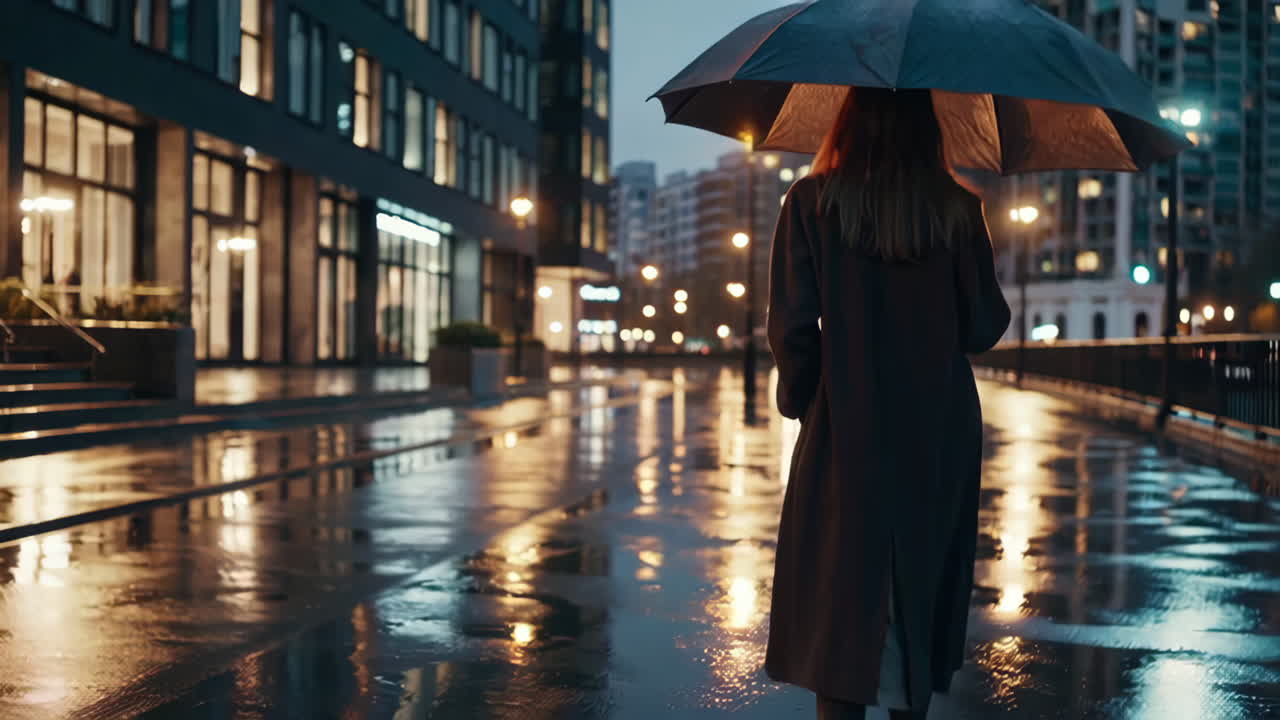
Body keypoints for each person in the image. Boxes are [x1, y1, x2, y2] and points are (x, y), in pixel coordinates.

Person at [763, 87, 1011, 720]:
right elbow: (983, 326)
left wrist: (802, 401)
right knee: (920, 580)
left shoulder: (812, 202)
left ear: (849, 123)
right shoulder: (958, 210)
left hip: (848, 422)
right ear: (928, 129)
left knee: (842, 592)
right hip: (937, 427)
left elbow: (791, 326)